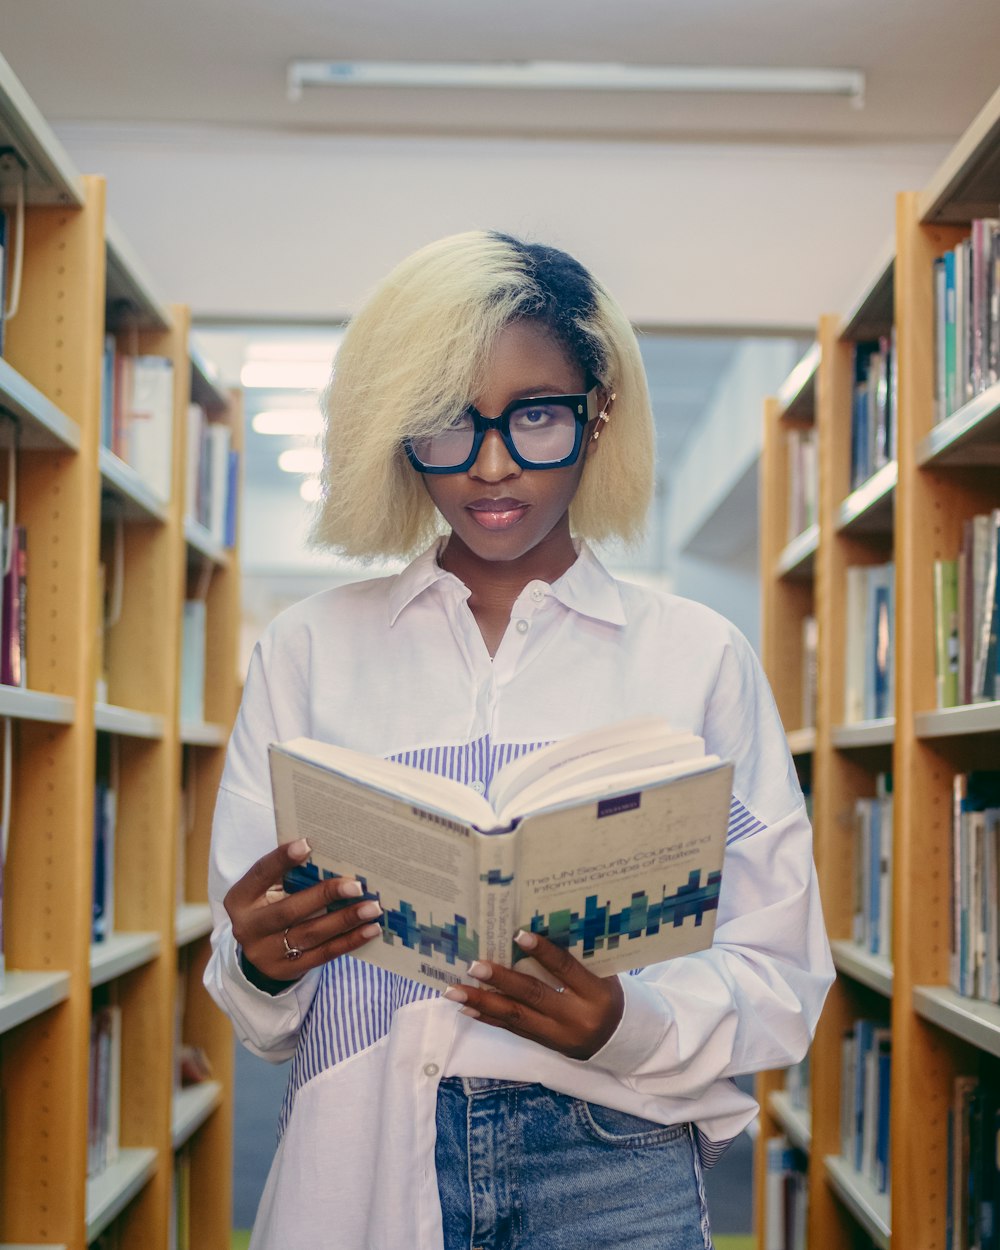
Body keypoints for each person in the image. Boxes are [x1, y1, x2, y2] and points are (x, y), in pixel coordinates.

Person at [205, 230, 834, 1250]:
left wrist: (621, 1020)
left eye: (535, 415)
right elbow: (258, 1014)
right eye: (448, 422)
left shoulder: (698, 657)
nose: (490, 465)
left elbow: (782, 969)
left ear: (600, 414)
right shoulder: (307, 648)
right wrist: (260, 964)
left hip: (613, 1155)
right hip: (363, 1150)